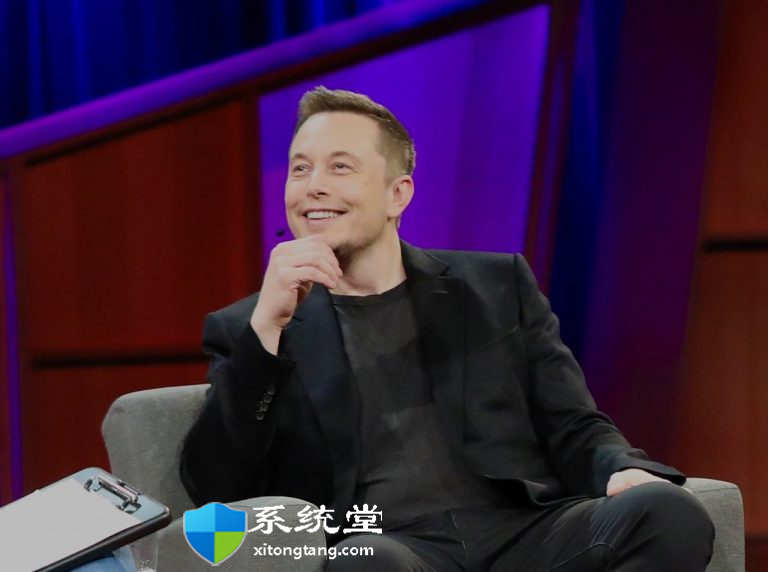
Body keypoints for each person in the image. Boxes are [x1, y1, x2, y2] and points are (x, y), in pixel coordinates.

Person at [179, 86, 714, 571]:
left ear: (398, 194)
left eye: (340, 167)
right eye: (299, 169)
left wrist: (620, 468)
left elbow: (572, 422)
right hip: (391, 546)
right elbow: (216, 489)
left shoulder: (495, 285)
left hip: (525, 531)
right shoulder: (251, 327)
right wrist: (266, 331)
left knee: (668, 513)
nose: (313, 186)